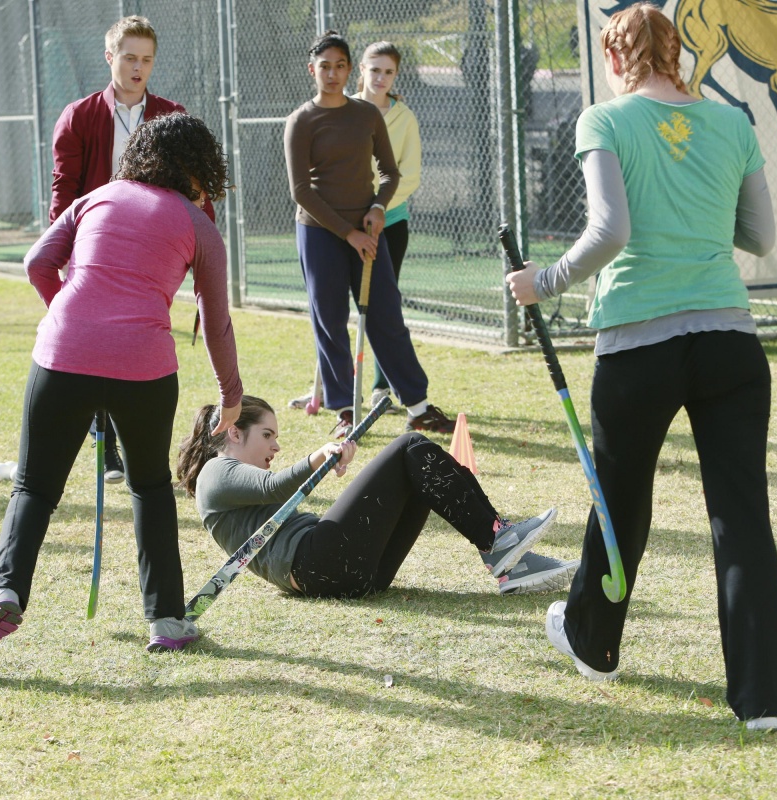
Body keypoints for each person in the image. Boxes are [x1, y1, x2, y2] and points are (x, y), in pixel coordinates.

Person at [505, 3, 777, 730]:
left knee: (620, 503)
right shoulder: (732, 123)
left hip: (639, 342)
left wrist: (545, 281)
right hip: (730, 341)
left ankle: (593, 642)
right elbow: (759, 235)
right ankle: (761, 700)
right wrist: (697, 211)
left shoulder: (605, 119)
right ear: (678, 53)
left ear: (614, 57)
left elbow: (611, 231)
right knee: (741, 518)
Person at [0, 113, 243, 673]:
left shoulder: (98, 197)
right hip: (146, 365)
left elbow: (38, 262)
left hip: (63, 352)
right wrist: (230, 395)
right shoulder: (199, 225)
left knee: (33, 486)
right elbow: (216, 320)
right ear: (199, 170)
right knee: (151, 487)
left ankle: (1, 595)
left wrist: (69, 314)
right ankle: (164, 619)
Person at [176, 397, 580, 599]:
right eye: (268, 435)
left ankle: (508, 558)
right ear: (233, 432)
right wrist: (317, 456)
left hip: (349, 572)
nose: (276, 446)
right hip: (319, 563)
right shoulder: (216, 472)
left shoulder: (229, 478)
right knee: (409, 444)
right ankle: (498, 543)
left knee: (416, 472)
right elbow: (274, 487)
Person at [49, 15, 213, 484]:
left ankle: (128, 442)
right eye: (129, 58)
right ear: (110, 58)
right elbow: (65, 192)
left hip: (152, 251)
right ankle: (106, 449)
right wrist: (64, 255)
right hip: (96, 250)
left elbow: (198, 188)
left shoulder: (171, 115)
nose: (138, 68)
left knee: (135, 340)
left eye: (146, 60)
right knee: (93, 342)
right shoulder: (79, 116)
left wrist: (203, 251)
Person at [283, 31, 455, 439]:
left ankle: (418, 406)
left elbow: (391, 173)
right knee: (329, 319)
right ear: (313, 70)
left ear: (348, 70)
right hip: (320, 231)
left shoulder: (366, 115)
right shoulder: (301, 120)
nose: (333, 73)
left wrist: (378, 208)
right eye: (325, 66)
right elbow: (301, 191)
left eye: (340, 65)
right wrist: (347, 233)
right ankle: (344, 410)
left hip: (365, 229)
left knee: (385, 313)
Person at [354, 41, 421, 413]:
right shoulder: (343, 110)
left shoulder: (405, 118)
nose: (380, 78)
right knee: (334, 306)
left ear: (396, 76)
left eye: (388, 72)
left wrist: (378, 207)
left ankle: (382, 388)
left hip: (390, 222)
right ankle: (334, 394)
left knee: (383, 304)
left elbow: (409, 175)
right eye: (374, 69)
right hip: (346, 223)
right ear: (360, 70)